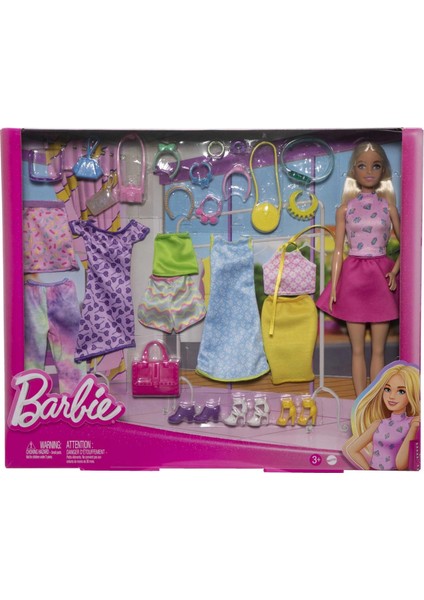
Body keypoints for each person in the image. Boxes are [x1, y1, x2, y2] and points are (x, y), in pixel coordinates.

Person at [316, 141, 400, 395]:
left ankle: (374, 401)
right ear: (354, 170)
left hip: (381, 278)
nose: (369, 172)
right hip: (353, 277)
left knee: (378, 350)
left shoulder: (389, 207)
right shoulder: (345, 209)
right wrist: (334, 286)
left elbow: (407, 245)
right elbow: (338, 250)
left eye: (376, 166)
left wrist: (395, 271)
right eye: (362, 166)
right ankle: (360, 402)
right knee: (357, 350)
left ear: (383, 170)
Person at [342, 363, 420, 470]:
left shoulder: (412, 423)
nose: (391, 396)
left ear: (412, 394)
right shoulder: (378, 424)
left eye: (401, 391)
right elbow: (350, 450)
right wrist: (369, 471)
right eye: (387, 389)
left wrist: (413, 428)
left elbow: (401, 464)